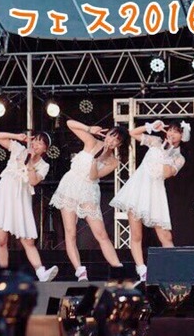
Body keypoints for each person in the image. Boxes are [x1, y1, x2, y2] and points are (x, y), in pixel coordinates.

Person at [110, 120, 189, 282]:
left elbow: (166, 174)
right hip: (138, 189)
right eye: (170, 130)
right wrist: (151, 126)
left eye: (176, 131)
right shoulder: (156, 141)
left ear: (182, 136)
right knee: (136, 233)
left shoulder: (179, 158)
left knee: (165, 236)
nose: (171, 134)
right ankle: (142, 269)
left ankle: (174, 270)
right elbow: (133, 133)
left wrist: (166, 151)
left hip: (156, 194)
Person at [50, 119, 129, 281]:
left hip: (88, 190)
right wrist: (89, 127)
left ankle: (118, 268)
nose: (111, 140)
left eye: (116, 140)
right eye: (111, 135)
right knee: (70, 232)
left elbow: (93, 176)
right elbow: (70, 123)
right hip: (70, 185)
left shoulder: (113, 161)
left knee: (101, 233)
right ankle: (80, 271)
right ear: (107, 134)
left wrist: (96, 160)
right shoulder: (92, 141)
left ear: (119, 144)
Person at [0, 131, 58, 282]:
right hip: (4, 196)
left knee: (28, 240)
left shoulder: (44, 165)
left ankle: (41, 272)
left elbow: (33, 181)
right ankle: (4, 274)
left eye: (40, 143)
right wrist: (17, 137)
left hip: (21, 200)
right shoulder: (18, 149)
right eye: (35, 141)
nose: (36, 145)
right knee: (2, 239)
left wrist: (29, 163)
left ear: (45, 149)